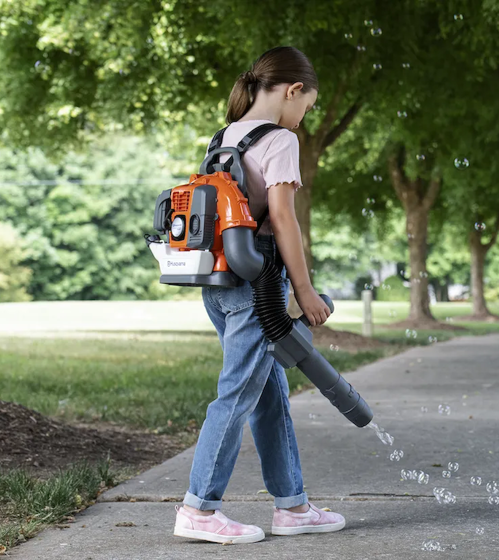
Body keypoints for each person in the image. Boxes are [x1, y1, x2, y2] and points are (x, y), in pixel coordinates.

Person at [172, 46, 342, 545]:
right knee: (238, 395)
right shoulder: (281, 140)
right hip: (257, 288)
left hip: (219, 284)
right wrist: (305, 291)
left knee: (269, 394)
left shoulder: (223, 138)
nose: (303, 118)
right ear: (293, 91)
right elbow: (283, 219)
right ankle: (199, 509)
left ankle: (292, 507)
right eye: (306, 107)